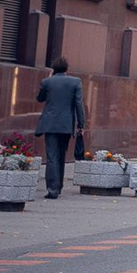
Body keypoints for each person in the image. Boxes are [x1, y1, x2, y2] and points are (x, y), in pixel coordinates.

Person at [35, 54, 84, 198]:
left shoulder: (47, 82)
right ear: (67, 69)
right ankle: (59, 187)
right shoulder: (75, 82)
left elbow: (40, 98)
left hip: (50, 124)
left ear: (53, 69)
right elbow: (78, 104)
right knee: (61, 155)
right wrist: (81, 124)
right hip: (66, 125)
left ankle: (52, 189)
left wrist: (49, 78)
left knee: (51, 156)